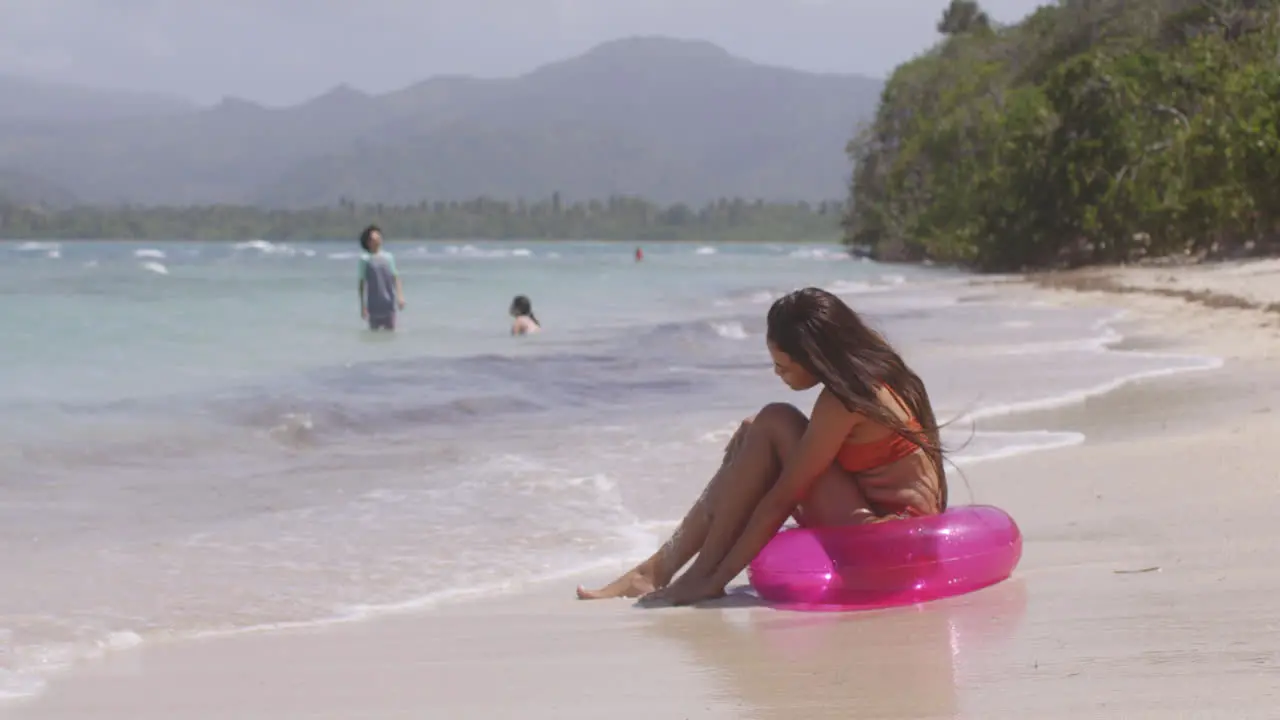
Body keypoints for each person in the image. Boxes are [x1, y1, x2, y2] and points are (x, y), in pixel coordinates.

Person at [576, 287, 946, 606]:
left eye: (783, 367)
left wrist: (712, 581)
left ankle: (687, 573)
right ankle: (657, 570)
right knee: (761, 427)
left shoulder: (845, 401)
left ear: (814, 359)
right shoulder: (878, 372)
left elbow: (780, 500)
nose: (777, 374)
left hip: (891, 537)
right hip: (887, 516)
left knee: (773, 419)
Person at [357, 224, 405, 331]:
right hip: (373, 305)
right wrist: (362, 306)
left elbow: (395, 278)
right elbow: (362, 284)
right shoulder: (365, 259)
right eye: (375, 237)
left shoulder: (389, 257)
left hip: (388, 303)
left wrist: (400, 297)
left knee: (390, 333)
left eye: (379, 236)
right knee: (373, 334)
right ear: (369, 242)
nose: (379, 239)